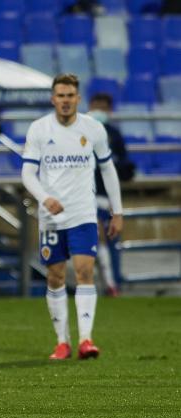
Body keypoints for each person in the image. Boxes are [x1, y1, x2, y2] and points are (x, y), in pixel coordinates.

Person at [21, 74, 123, 361]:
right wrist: (45, 198)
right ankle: (62, 341)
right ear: (53, 99)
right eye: (60, 96)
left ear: (78, 99)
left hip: (83, 213)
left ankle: (86, 340)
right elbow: (27, 173)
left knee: (85, 271)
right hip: (51, 217)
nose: (65, 101)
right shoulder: (40, 129)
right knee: (55, 276)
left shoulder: (93, 129)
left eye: (70, 96)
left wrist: (118, 211)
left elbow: (108, 170)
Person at [88, 93, 134, 297]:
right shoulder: (81, 134)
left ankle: (113, 282)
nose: (99, 111)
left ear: (110, 110)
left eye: (102, 107)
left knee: (110, 242)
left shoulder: (114, 135)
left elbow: (125, 170)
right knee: (96, 242)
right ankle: (106, 284)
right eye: (95, 106)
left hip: (108, 199)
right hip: (85, 197)